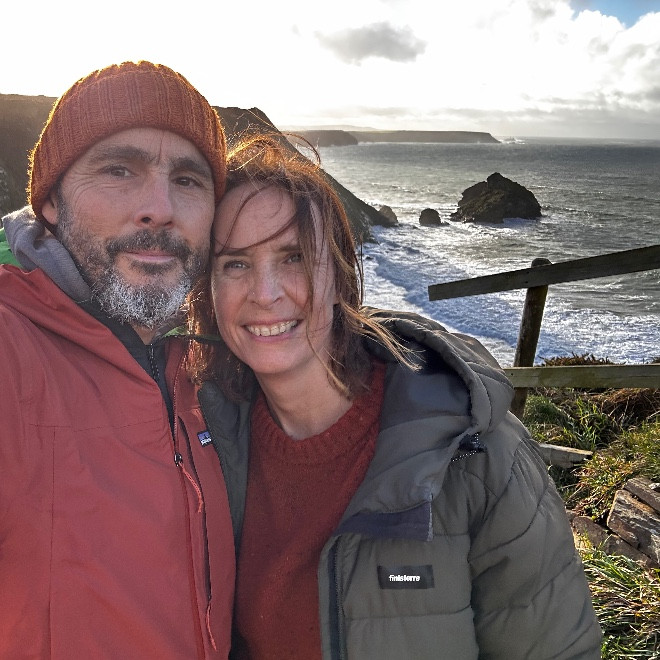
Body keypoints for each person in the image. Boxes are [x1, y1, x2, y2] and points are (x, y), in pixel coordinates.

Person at [188, 135, 603, 659]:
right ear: (208, 290)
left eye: (294, 257)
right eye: (235, 263)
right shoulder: (200, 448)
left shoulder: (477, 454)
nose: (265, 292)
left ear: (340, 274)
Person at [0, 61, 235, 658]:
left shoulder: (207, 359)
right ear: (51, 202)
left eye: (188, 180)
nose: (159, 208)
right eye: (118, 170)